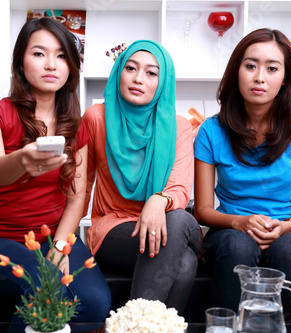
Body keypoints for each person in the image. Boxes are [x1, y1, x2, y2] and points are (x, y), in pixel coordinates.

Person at [0, 17, 111, 326]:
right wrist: (22, 162)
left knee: (95, 304)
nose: (51, 64)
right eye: (39, 53)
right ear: (20, 63)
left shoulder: (76, 127)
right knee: (45, 287)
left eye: (61, 55)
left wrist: (59, 246)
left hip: (50, 235)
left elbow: (76, 198)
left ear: (71, 68)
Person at [194, 28, 291, 324]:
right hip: (231, 231)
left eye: (272, 68)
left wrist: (286, 227)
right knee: (235, 245)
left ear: (285, 78)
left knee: (289, 251)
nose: (259, 77)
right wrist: (238, 222)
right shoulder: (210, 131)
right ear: (236, 71)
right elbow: (203, 211)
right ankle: (223, 330)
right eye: (251, 65)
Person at [83, 40, 202, 315]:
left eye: (151, 73)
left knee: (179, 218)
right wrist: (61, 240)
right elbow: (80, 185)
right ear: (118, 73)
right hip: (114, 227)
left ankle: (131, 325)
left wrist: (157, 202)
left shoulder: (179, 127)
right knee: (184, 262)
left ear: (163, 82)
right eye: (131, 68)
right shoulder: (95, 118)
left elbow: (180, 188)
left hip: (167, 221)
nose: (138, 79)